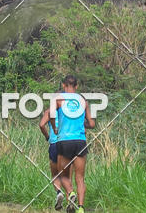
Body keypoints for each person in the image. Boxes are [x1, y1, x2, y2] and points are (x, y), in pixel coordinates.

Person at [53, 75, 94, 213]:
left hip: (64, 141)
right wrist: (82, 124)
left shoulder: (58, 99)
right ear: (76, 86)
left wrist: (55, 128)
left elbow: (52, 116)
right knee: (80, 178)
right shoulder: (83, 101)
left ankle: (70, 193)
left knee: (62, 175)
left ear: (63, 85)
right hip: (80, 141)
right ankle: (81, 208)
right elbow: (92, 124)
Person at [39, 95, 65, 210]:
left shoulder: (49, 112)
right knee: (67, 175)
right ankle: (71, 196)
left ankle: (59, 192)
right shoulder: (69, 113)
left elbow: (41, 125)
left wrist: (47, 137)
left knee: (55, 174)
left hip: (54, 144)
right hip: (67, 144)